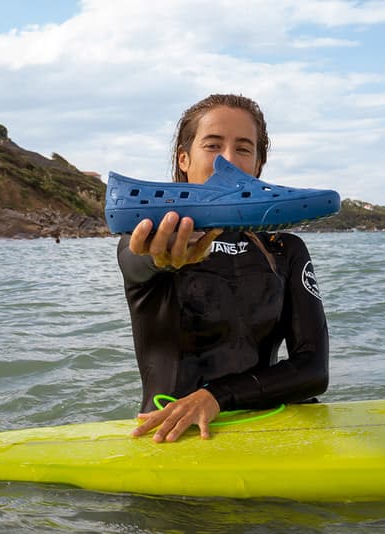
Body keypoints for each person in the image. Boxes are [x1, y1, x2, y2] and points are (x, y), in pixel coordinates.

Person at [117, 94, 329, 443]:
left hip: (270, 428)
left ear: (257, 166)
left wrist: (216, 396)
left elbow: (314, 369)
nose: (228, 160)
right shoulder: (152, 239)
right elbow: (137, 259)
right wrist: (159, 255)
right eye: (213, 145)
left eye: (244, 149)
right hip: (174, 435)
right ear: (184, 159)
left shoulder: (284, 249)